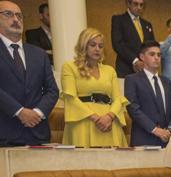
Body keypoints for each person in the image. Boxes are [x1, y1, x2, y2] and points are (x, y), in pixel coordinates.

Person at [0, 0, 58, 146]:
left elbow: (52, 90)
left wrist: (37, 113)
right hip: (5, 134)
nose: (15, 19)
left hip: (38, 134)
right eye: (8, 14)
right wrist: (19, 112)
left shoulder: (39, 54)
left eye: (19, 16)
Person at [61, 28, 127, 147]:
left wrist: (109, 117)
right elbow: (70, 97)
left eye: (101, 46)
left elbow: (118, 99)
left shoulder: (110, 70)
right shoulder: (69, 67)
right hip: (83, 122)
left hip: (109, 123)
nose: (97, 49)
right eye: (93, 45)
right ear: (83, 46)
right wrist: (96, 118)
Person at [125, 40, 171, 147]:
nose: (156, 58)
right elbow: (133, 108)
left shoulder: (169, 83)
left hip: (168, 140)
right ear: (142, 56)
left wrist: (169, 130)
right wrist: (155, 129)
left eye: (159, 55)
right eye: (152, 54)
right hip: (143, 139)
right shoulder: (132, 80)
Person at [111, 0, 155, 78]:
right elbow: (117, 44)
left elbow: (152, 46)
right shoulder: (118, 20)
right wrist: (135, 61)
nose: (139, 7)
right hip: (126, 69)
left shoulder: (147, 24)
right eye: (136, 4)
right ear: (128, 4)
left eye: (141, 5)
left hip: (145, 69)